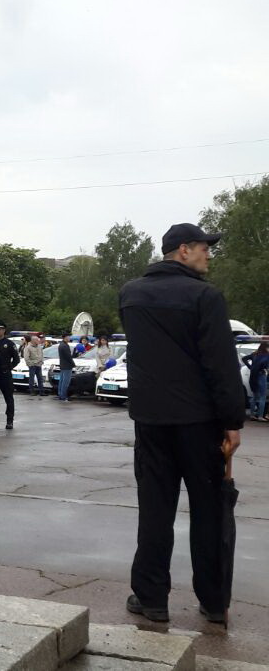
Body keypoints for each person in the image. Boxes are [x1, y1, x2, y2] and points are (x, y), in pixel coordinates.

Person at [120, 222, 245, 625]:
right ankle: (212, 601)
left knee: (154, 510)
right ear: (184, 249)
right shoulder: (205, 296)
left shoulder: (131, 294)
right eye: (205, 248)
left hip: (151, 421)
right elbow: (220, 365)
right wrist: (232, 421)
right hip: (199, 422)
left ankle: (151, 597)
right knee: (209, 512)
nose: (209, 254)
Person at [0, 323, 19, 430]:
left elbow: (16, 359)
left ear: (4, 330)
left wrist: (9, 368)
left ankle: (10, 421)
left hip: (5, 374)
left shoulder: (9, 344)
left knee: (9, 398)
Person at [242, 343, 269, 421]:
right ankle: (260, 416)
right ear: (266, 348)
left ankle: (252, 415)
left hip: (253, 376)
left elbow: (244, 358)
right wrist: (265, 369)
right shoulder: (266, 355)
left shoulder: (255, 354)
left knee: (254, 396)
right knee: (262, 397)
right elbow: (264, 365)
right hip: (261, 376)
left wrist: (250, 367)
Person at [56, 334, 75, 401]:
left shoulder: (61, 345)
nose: (69, 338)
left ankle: (60, 394)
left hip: (63, 365)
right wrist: (73, 364)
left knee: (62, 381)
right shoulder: (64, 346)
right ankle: (63, 396)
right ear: (65, 338)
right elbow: (68, 357)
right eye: (68, 337)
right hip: (67, 365)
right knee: (65, 381)